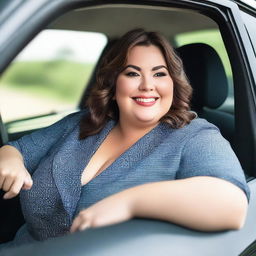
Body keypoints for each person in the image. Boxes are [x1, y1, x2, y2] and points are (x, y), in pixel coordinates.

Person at [0, 28, 249, 249]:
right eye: (132, 73)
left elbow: (232, 204)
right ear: (114, 83)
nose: (147, 85)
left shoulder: (196, 136)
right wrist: (9, 159)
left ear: (173, 82)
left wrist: (128, 202)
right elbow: (16, 148)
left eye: (159, 74)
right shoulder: (81, 123)